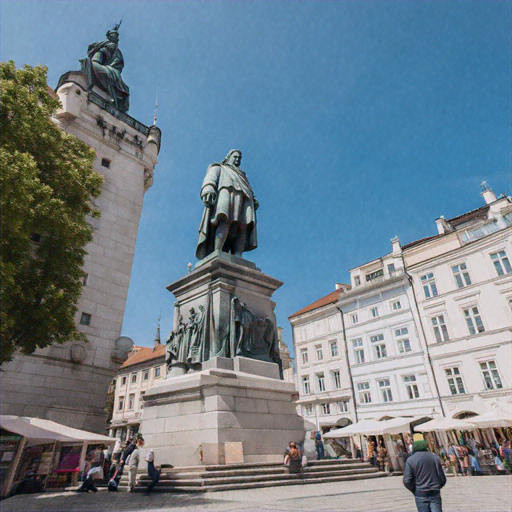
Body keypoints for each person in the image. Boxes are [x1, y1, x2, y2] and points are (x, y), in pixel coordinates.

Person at [196, 149, 258, 260]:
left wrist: (253, 200)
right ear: (228, 157)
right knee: (224, 219)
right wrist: (208, 188)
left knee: (243, 225)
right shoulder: (219, 167)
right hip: (226, 193)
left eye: (239, 158)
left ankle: (238, 255)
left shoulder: (243, 176)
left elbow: (249, 190)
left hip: (244, 197)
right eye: (235, 157)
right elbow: (210, 179)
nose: (237, 160)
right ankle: (217, 250)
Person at [81, 22, 130, 112]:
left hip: (114, 72)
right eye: (114, 35)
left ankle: (112, 99)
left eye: (117, 35)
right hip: (105, 68)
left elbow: (118, 65)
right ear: (110, 36)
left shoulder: (116, 50)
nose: (117, 37)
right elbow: (95, 61)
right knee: (92, 65)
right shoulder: (104, 47)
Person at [403, 439, 447, 512]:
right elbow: (441, 476)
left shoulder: (410, 460)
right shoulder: (434, 457)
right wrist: (439, 486)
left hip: (420, 494)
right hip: (434, 492)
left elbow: (407, 480)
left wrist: (415, 490)